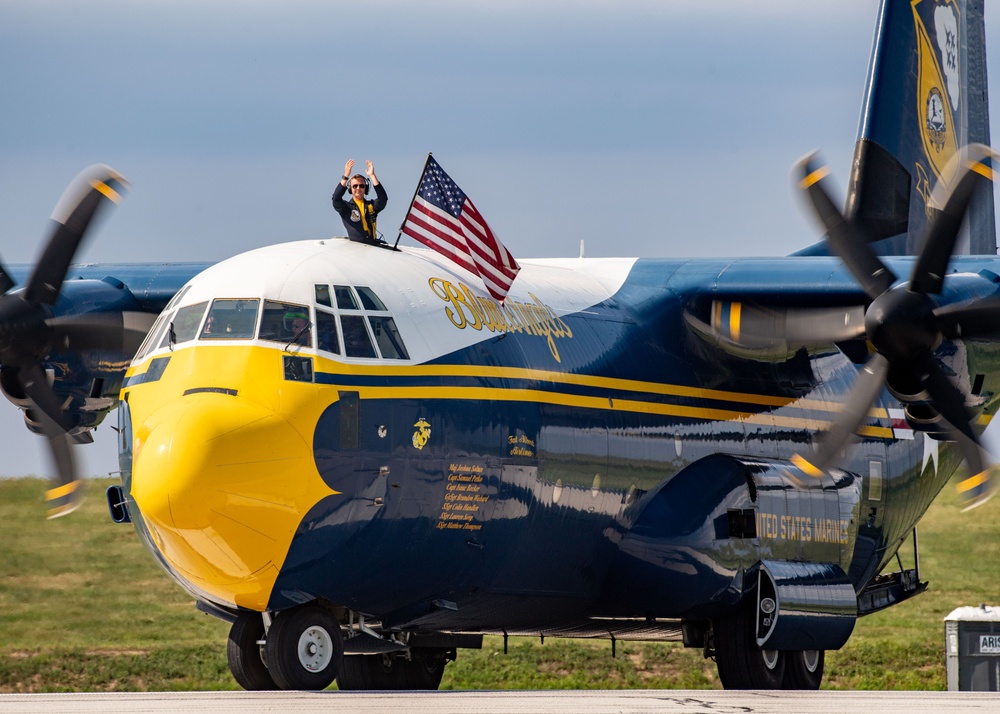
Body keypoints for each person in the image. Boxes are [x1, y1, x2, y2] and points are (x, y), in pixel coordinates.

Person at [332, 159, 388, 245]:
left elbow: (383, 199)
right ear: (350, 189)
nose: (358, 188)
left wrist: (372, 176)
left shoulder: (371, 206)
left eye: (362, 186)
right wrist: (346, 175)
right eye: (355, 186)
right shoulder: (346, 208)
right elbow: (336, 198)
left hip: (372, 246)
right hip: (356, 248)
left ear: (366, 188)